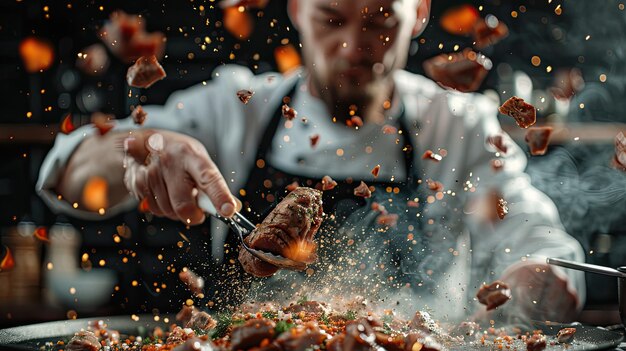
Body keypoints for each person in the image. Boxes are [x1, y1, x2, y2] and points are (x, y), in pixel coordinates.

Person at [37, 0, 585, 323]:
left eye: (379, 21)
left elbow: (538, 239)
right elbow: (70, 175)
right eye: (330, 19)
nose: (354, 46)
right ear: (297, 10)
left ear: (418, 14)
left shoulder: (460, 126)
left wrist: (540, 278)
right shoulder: (236, 107)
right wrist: (143, 152)